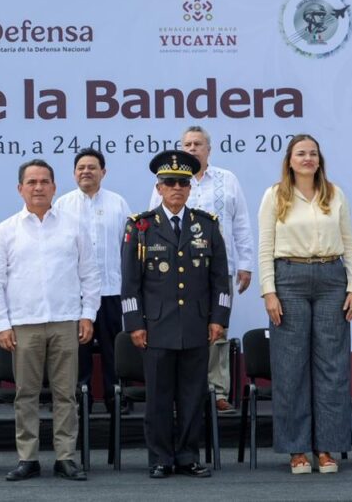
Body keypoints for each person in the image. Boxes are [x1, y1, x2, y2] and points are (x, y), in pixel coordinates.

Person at [0, 159, 100, 483]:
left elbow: (90, 275)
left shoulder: (73, 225)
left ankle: (66, 457)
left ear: (54, 187)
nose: (38, 187)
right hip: (24, 325)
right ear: (20, 188)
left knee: (67, 394)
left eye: (44, 181)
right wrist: (2, 325)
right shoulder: (5, 230)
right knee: (26, 395)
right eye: (31, 182)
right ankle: (28, 458)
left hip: (66, 322)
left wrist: (88, 314)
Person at [257, 134, 352, 475]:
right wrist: (268, 292)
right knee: (290, 368)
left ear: (320, 159)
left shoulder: (335, 194)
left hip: (333, 279)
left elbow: (350, 243)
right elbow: (264, 248)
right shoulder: (275, 195)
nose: (307, 158)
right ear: (289, 160)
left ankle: (327, 448)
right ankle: (297, 450)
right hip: (289, 278)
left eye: (313, 153)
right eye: (300, 153)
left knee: (333, 368)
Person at [123, 150, 230, 479]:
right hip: (156, 327)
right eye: (169, 183)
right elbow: (130, 282)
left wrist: (219, 319)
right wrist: (135, 324)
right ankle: (160, 458)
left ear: (190, 188)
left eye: (182, 183)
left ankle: (187, 456)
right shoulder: (140, 226)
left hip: (197, 325)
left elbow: (220, 279)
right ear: (158, 187)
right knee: (158, 397)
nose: (176, 189)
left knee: (192, 396)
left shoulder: (206, 225)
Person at [149, 126, 254, 412]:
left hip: (220, 270)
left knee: (217, 330)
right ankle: (182, 393)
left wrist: (245, 264)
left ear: (208, 149)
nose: (192, 148)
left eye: (197, 144)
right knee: (180, 331)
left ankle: (218, 391)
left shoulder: (227, 179)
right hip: (176, 274)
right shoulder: (167, 180)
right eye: (187, 144)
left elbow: (241, 223)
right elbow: (152, 226)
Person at [53, 148, 130, 414]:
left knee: (113, 349)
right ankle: (79, 399)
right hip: (75, 294)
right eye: (81, 168)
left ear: (103, 172)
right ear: (74, 174)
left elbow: (128, 247)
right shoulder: (62, 205)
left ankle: (115, 398)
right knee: (77, 351)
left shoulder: (118, 203)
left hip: (110, 290)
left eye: (92, 167)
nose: (86, 171)